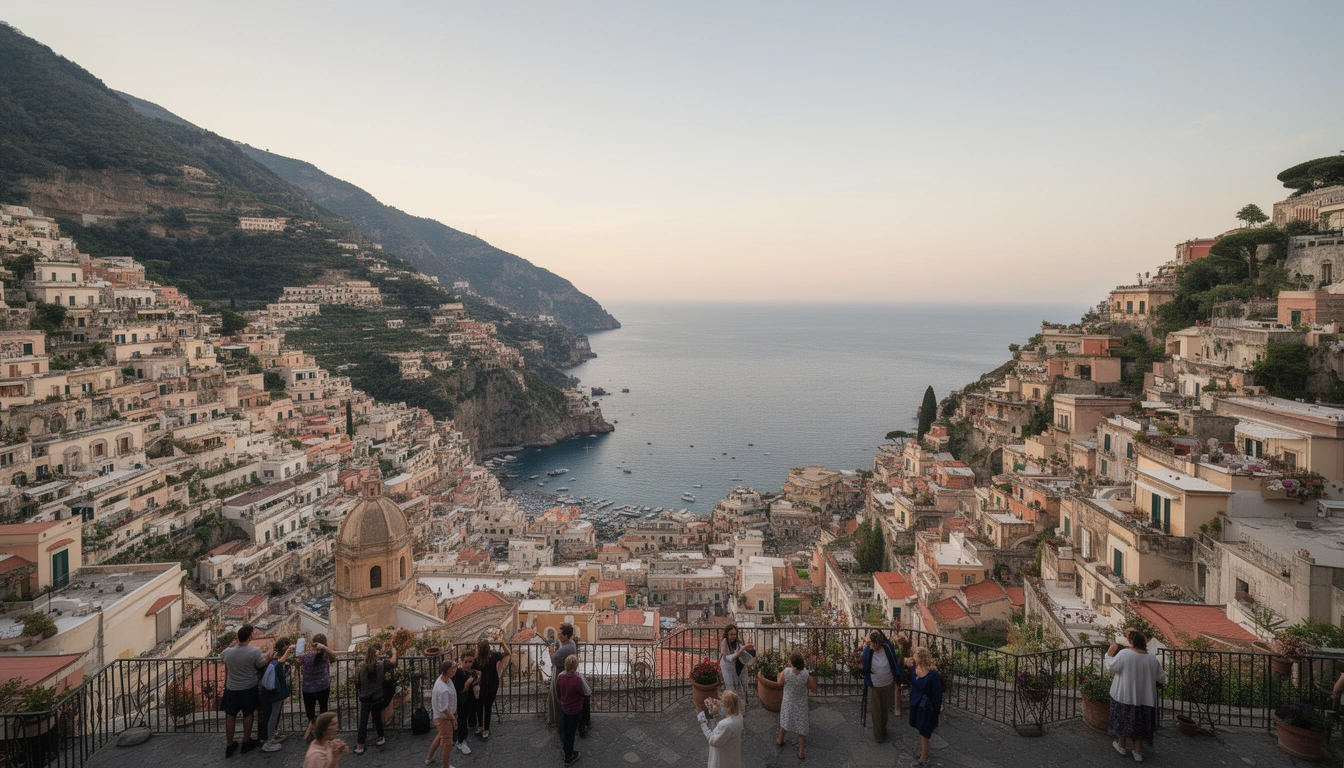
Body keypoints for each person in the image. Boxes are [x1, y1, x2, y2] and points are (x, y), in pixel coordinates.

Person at [1105, 628, 1167, 763]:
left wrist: (1109, 654)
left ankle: (1121, 745)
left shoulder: (1125, 654)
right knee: (1139, 725)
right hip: (1145, 699)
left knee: (1123, 721)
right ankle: (1138, 752)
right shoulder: (1151, 657)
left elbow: (1111, 667)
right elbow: (1161, 678)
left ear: (1131, 641)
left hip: (1124, 695)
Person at [221, 623, 272, 757]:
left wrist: (232, 646)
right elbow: (261, 664)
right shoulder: (254, 652)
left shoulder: (228, 652)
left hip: (232, 688)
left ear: (238, 637)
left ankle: (230, 744)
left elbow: (223, 658)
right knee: (248, 714)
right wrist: (270, 654)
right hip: (248, 687)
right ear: (249, 638)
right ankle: (246, 741)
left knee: (230, 715)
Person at [354, 642, 398, 755]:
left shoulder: (360, 666)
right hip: (377, 697)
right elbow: (393, 663)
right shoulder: (381, 664)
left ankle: (360, 744)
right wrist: (394, 652)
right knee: (377, 717)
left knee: (363, 721)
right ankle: (380, 737)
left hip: (364, 697)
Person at [861, 630, 901, 743]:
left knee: (884, 709)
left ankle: (882, 730)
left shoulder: (888, 648)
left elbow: (893, 661)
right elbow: (865, 668)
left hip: (887, 683)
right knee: (876, 711)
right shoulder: (867, 651)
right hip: (875, 685)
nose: (875, 645)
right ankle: (879, 736)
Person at [776, 652, 816, 759]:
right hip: (801, 703)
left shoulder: (787, 671)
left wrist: (779, 674)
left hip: (788, 702)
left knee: (785, 721)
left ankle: (780, 740)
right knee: (802, 727)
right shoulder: (806, 674)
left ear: (792, 663)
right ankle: (801, 753)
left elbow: (779, 684)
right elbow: (813, 689)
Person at [259, 637, 295, 752]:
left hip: (273, 690)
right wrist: (289, 650)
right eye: (287, 645)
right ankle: (269, 740)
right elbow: (280, 662)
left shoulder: (274, 656)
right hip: (275, 691)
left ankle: (272, 735)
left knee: (274, 715)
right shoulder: (277, 659)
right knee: (273, 716)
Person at [908, 647, 943, 765]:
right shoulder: (915, 668)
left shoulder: (932, 674)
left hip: (927, 706)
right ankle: (924, 753)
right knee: (920, 728)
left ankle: (923, 758)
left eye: (916, 656)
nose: (914, 658)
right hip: (917, 703)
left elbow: (937, 694)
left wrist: (935, 708)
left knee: (924, 732)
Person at [472, 639, 510, 739]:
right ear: (489, 648)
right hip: (492, 684)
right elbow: (507, 653)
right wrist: (503, 643)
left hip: (481, 686)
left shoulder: (477, 660)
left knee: (479, 706)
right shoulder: (494, 656)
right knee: (488, 707)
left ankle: (480, 727)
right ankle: (486, 730)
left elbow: (472, 670)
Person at [556, 654, 590, 765]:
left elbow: (558, 690)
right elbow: (587, 692)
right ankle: (569, 756)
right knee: (571, 732)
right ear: (576, 666)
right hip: (575, 710)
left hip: (564, 707)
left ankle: (566, 749)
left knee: (565, 729)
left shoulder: (560, 676)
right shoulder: (577, 678)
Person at [698, 689, 743, 768]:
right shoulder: (739, 715)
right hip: (732, 754)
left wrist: (703, 724)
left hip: (722, 759)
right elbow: (725, 711)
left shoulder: (726, 725)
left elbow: (713, 740)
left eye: (723, 703)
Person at [299, 634, 336, 723]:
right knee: (323, 710)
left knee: (310, 714)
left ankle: (312, 730)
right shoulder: (324, 655)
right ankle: (323, 731)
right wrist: (324, 648)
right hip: (322, 686)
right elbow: (333, 657)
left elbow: (301, 667)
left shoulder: (306, 657)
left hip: (307, 688)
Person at [429, 659, 459, 768]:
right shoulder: (443, 689)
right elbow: (444, 709)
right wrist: (453, 719)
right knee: (448, 742)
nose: (455, 671)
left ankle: (429, 758)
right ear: (447, 670)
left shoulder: (444, 679)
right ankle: (445, 766)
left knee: (439, 737)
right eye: (453, 669)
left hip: (443, 717)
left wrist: (456, 664)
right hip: (444, 718)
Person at [450, 649, 480, 755]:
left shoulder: (466, 672)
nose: (468, 664)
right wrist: (467, 683)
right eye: (466, 661)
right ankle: (461, 742)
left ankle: (460, 740)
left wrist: (474, 680)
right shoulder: (458, 673)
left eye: (470, 661)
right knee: (461, 722)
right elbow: (458, 690)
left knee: (463, 721)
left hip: (464, 702)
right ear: (461, 661)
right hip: (459, 703)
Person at [548, 624, 577, 728]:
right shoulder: (572, 643)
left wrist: (551, 652)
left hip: (560, 674)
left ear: (565, 636)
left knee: (557, 697)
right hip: (568, 674)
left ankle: (557, 720)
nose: (558, 635)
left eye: (560, 634)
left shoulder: (563, 649)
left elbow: (554, 660)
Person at [718, 626, 753, 706]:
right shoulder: (724, 641)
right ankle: (732, 705)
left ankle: (742, 702)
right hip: (727, 667)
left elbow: (741, 652)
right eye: (730, 634)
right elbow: (727, 658)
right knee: (730, 686)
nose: (732, 636)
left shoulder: (737, 642)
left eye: (734, 634)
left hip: (737, 666)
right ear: (726, 634)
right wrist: (743, 649)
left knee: (741, 685)